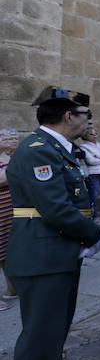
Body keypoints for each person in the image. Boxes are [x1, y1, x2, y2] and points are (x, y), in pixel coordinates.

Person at [2, 87, 100, 360]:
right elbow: (56, 209)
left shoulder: (56, 148)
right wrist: (93, 234)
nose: (89, 122)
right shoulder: (37, 151)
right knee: (39, 338)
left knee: (53, 332)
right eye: (85, 115)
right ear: (69, 117)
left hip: (56, 254)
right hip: (41, 257)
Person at [0, 128, 20, 307]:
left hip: (10, 210)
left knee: (7, 250)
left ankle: (11, 289)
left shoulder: (12, 158)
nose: (10, 141)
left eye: (13, 138)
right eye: (6, 138)